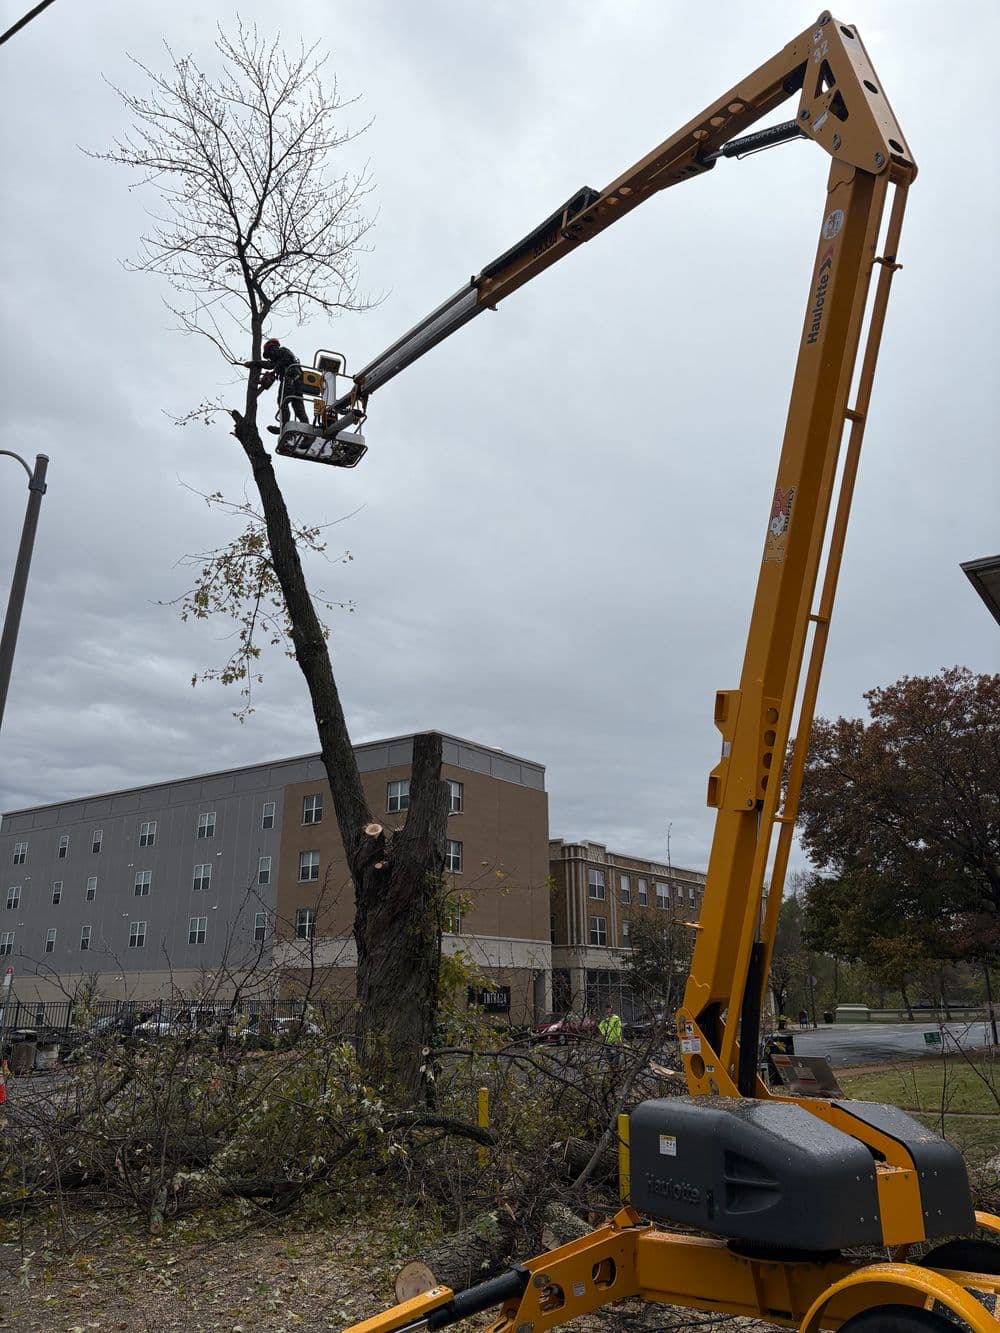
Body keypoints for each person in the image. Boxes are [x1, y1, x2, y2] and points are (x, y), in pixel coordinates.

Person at [244, 338, 309, 434]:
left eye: (270, 354)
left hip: (290, 378)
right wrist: (254, 363)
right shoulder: (280, 357)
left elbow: (283, 360)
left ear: (271, 348)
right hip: (297, 380)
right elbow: (270, 365)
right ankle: (306, 430)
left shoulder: (282, 351)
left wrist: (274, 370)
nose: (270, 357)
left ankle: (284, 426)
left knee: (283, 401)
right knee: (297, 405)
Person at [599, 1003, 623, 1067]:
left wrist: (618, 1037)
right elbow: (600, 1026)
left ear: (611, 1009)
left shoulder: (616, 1018)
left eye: (609, 1009)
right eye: (607, 1009)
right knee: (608, 1052)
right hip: (608, 1038)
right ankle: (611, 1063)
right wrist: (604, 1033)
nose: (608, 1010)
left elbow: (618, 1028)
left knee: (617, 1052)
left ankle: (616, 1065)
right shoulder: (605, 1019)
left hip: (615, 1038)